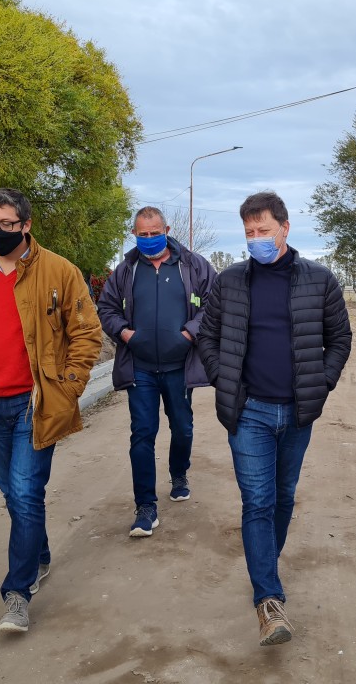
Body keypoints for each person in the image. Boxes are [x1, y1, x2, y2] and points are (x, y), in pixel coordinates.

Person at [0, 188, 102, 633]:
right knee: (13, 495)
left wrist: (68, 388)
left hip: (36, 402)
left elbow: (87, 332)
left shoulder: (59, 270)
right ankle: (39, 554)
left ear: (26, 225)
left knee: (27, 493)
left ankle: (17, 593)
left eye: (6, 224)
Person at [197, 191, 352, 646]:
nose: (256, 239)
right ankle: (268, 599)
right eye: (249, 232)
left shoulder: (319, 279)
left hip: (299, 411)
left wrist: (322, 382)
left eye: (263, 230)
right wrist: (223, 378)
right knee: (258, 501)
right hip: (249, 412)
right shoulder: (230, 281)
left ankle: (265, 562)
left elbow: (340, 338)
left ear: (285, 228)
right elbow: (207, 336)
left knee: (283, 495)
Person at [96, 206, 217, 537]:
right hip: (141, 368)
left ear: (166, 230)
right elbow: (106, 308)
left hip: (180, 367)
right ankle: (145, 507)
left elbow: (214, 304)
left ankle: (179, 473)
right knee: (142, 434)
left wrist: (189, 333)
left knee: (183, 428)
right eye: (142, 234)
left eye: (154, 233)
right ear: (134, 234)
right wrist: (126, 334)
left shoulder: (193, 265)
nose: (149, 239)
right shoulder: (126, 270)